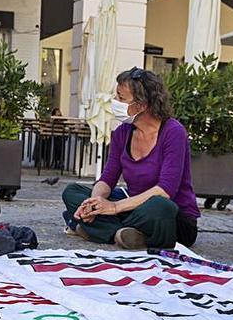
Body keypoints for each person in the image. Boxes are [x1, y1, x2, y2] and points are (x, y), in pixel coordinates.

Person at [62, 67, 200, 250]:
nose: (115, 102)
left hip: (171, 216)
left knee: (160, 206)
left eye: (121, 98)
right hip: (133, 207)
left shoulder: (173, 132)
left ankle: (97, 230)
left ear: (142, 105)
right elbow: (107, 179)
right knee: (72, 192)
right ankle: (127, 235)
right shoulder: (122, 133)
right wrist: (95, 203)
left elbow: (166, 190)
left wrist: (114, 208)